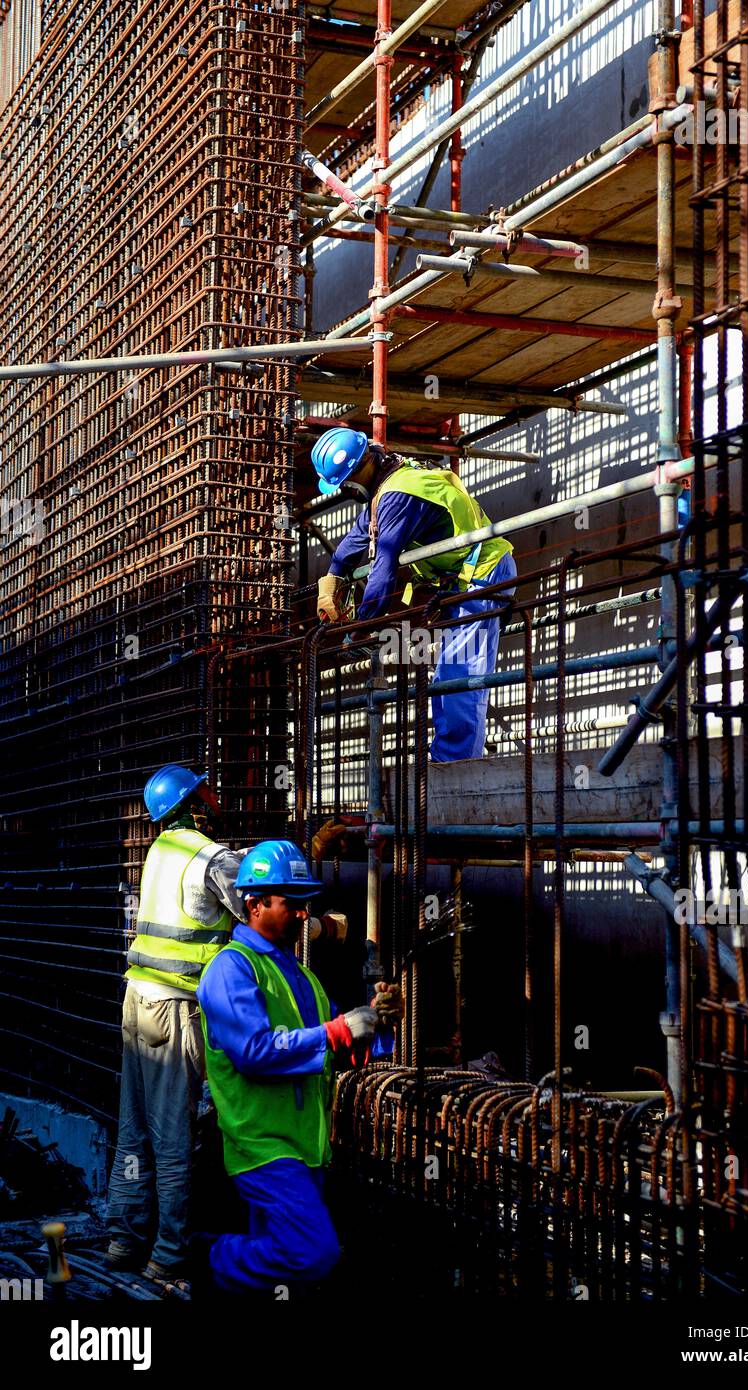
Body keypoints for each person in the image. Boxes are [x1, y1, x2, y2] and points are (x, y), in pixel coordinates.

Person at [106, 765, 346, 1285]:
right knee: (174, 1135)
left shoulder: (159, 852)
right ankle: (170, 1255)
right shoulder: (207, 856)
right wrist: (328, 922)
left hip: (136, 999)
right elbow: (265, 904)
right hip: (175, 1008)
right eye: (205, 796)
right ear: (192, 805)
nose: (214, 804)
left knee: (134, 1129)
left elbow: (270, 896)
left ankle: (124, 1237)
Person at [197, 839, 404, 1295]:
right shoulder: (231, 970)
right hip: (263, 1145)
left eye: (304, 904)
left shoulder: (303, 976)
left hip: (306, 1145)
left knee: (276, 1261)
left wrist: (376, 1023)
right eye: (290, 904)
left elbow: (334, 1052)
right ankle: (214, 1256)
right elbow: (254, 1051)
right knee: (313, 1253)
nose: (302, 915)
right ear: (254, 904)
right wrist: (337, 1031)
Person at [312, 428, 517, 762]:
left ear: (355, 476)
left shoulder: (398, 494)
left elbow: (383, 569)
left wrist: (361, 630)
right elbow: (360, 537)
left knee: (460, 675)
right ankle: (450, 762)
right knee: (447, 675)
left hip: (482, 574)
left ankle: (455, 772)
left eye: (343, 486)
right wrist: (333, 576)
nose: (346, 492)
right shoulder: (391, 483)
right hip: (463, 580)